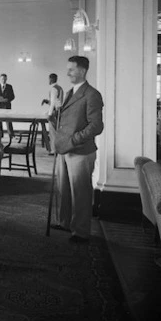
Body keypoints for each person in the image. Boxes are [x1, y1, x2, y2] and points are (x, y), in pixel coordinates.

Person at [52, 56, 104, 244]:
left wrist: (74, 139)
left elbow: (96, 126)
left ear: (82, 71)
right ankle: (64, 222)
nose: (67, 73)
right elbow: (63, 122)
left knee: (80, 192)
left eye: (71, 69)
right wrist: (54, 113)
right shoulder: (68, 93)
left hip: (81, 151)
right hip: (64, 150)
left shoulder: (92, 94)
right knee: (63, 189)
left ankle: (81, 232)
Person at [41, 73, 64, 155]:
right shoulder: (59, 88)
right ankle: (57, 149)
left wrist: (50, 114)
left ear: (51, 79)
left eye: (49, 79)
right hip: (59, 110)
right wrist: (47, 101)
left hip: (55, 111)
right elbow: (57, 101)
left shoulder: (53, 88)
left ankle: (54, 150)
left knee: (53, 132)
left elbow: (53, 102)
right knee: (56, 131)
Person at [0, 73, 15, 137]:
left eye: (4, 79)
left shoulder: (9, 86)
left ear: (6, 79)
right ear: (0, 79)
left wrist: (7, 99)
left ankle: (11, 134)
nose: (3, 80)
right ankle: (0, 134)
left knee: (8, 120)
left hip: (7, 105)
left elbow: (13, 96)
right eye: (2, 79)